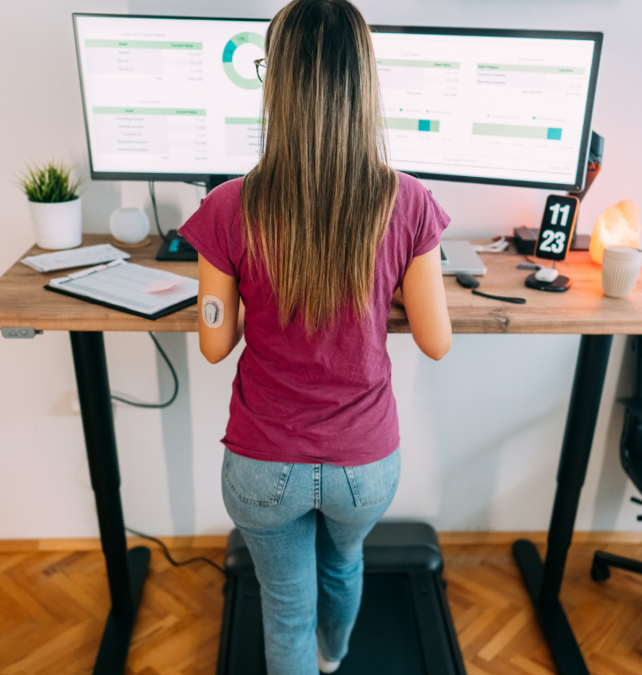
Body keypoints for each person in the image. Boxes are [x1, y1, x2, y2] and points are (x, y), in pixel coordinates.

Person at [179, 1, 452, 672]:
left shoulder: (226, 207)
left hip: (263, 465)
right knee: (344, 563)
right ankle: (334, 657)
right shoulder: (407, 202)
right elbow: (436, 339)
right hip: (364, 466)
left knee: (285, 602)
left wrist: (245, 289)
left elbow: (214, 345)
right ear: (365, 83)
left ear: (277, 86)